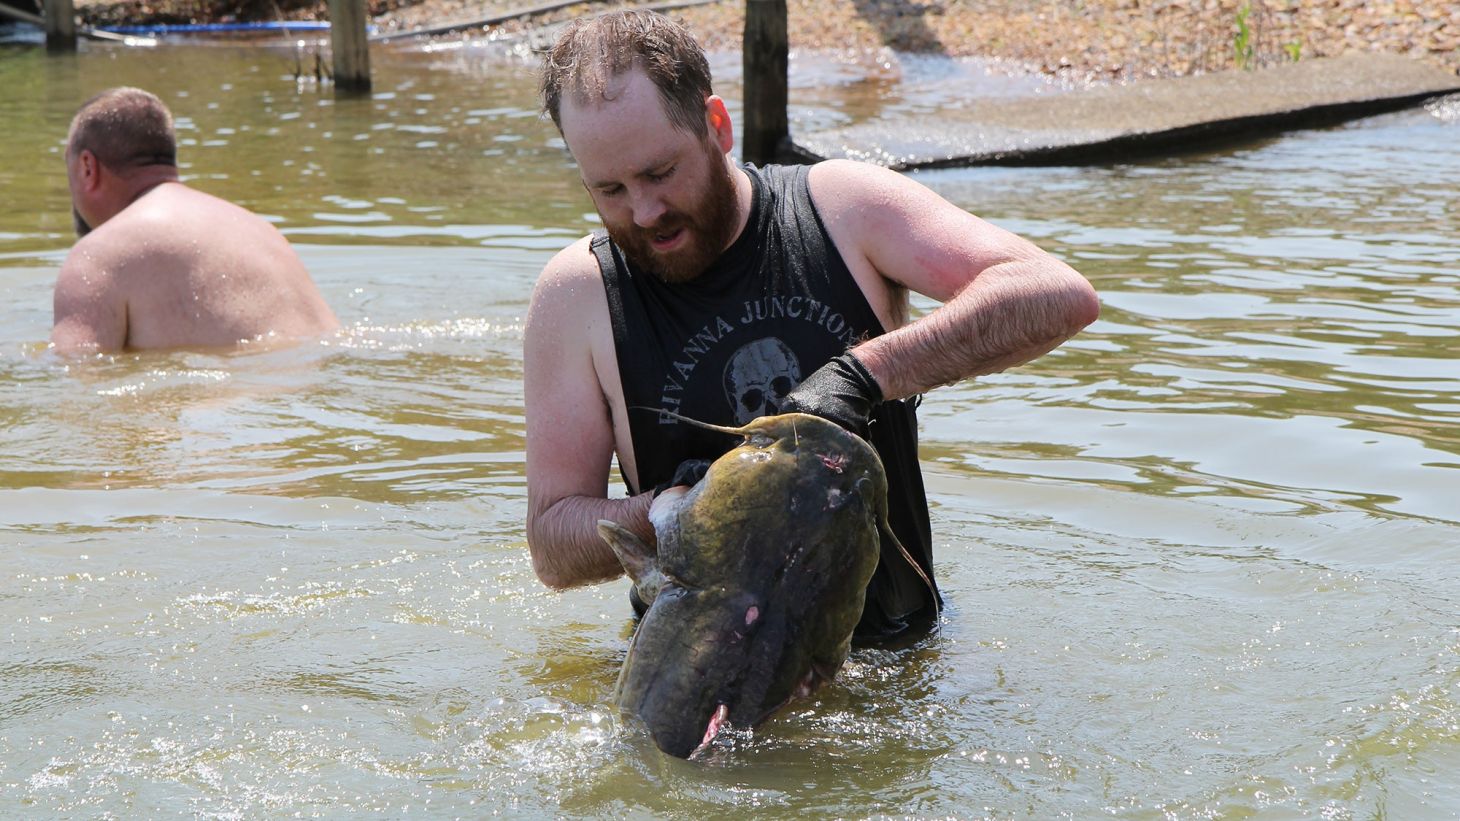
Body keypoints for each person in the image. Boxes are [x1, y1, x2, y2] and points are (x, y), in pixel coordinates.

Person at [524, 10, 1100, 644]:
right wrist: (669, 513)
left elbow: (1057, 293)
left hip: (889, 669)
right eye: (609, 190)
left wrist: (863, 376)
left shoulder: (841, 211)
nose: (645, 210)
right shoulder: (577, 295)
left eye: (660, 173)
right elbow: (552, 543)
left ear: (717, 127)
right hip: (699, 681)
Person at [52, 86, 338, 353]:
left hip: (240, 397)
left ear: (87, 167)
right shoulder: (260, 230)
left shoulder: (100, 255)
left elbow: (77, 377)